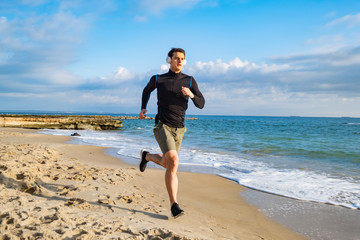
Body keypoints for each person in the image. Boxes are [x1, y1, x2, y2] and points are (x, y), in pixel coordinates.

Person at [138, 48, 205, 218]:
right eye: (176, 58)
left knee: (169, 164)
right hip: (162, 125)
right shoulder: (159, 79)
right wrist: (143, 108)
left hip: (179, 129)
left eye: (182, 59)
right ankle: (174, 205)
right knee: (174, 161)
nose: (179, 61)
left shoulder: (189, 81)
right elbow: (146, 91)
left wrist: (191, 95)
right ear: (169, 60)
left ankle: (147, 156)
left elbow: (201, 103)